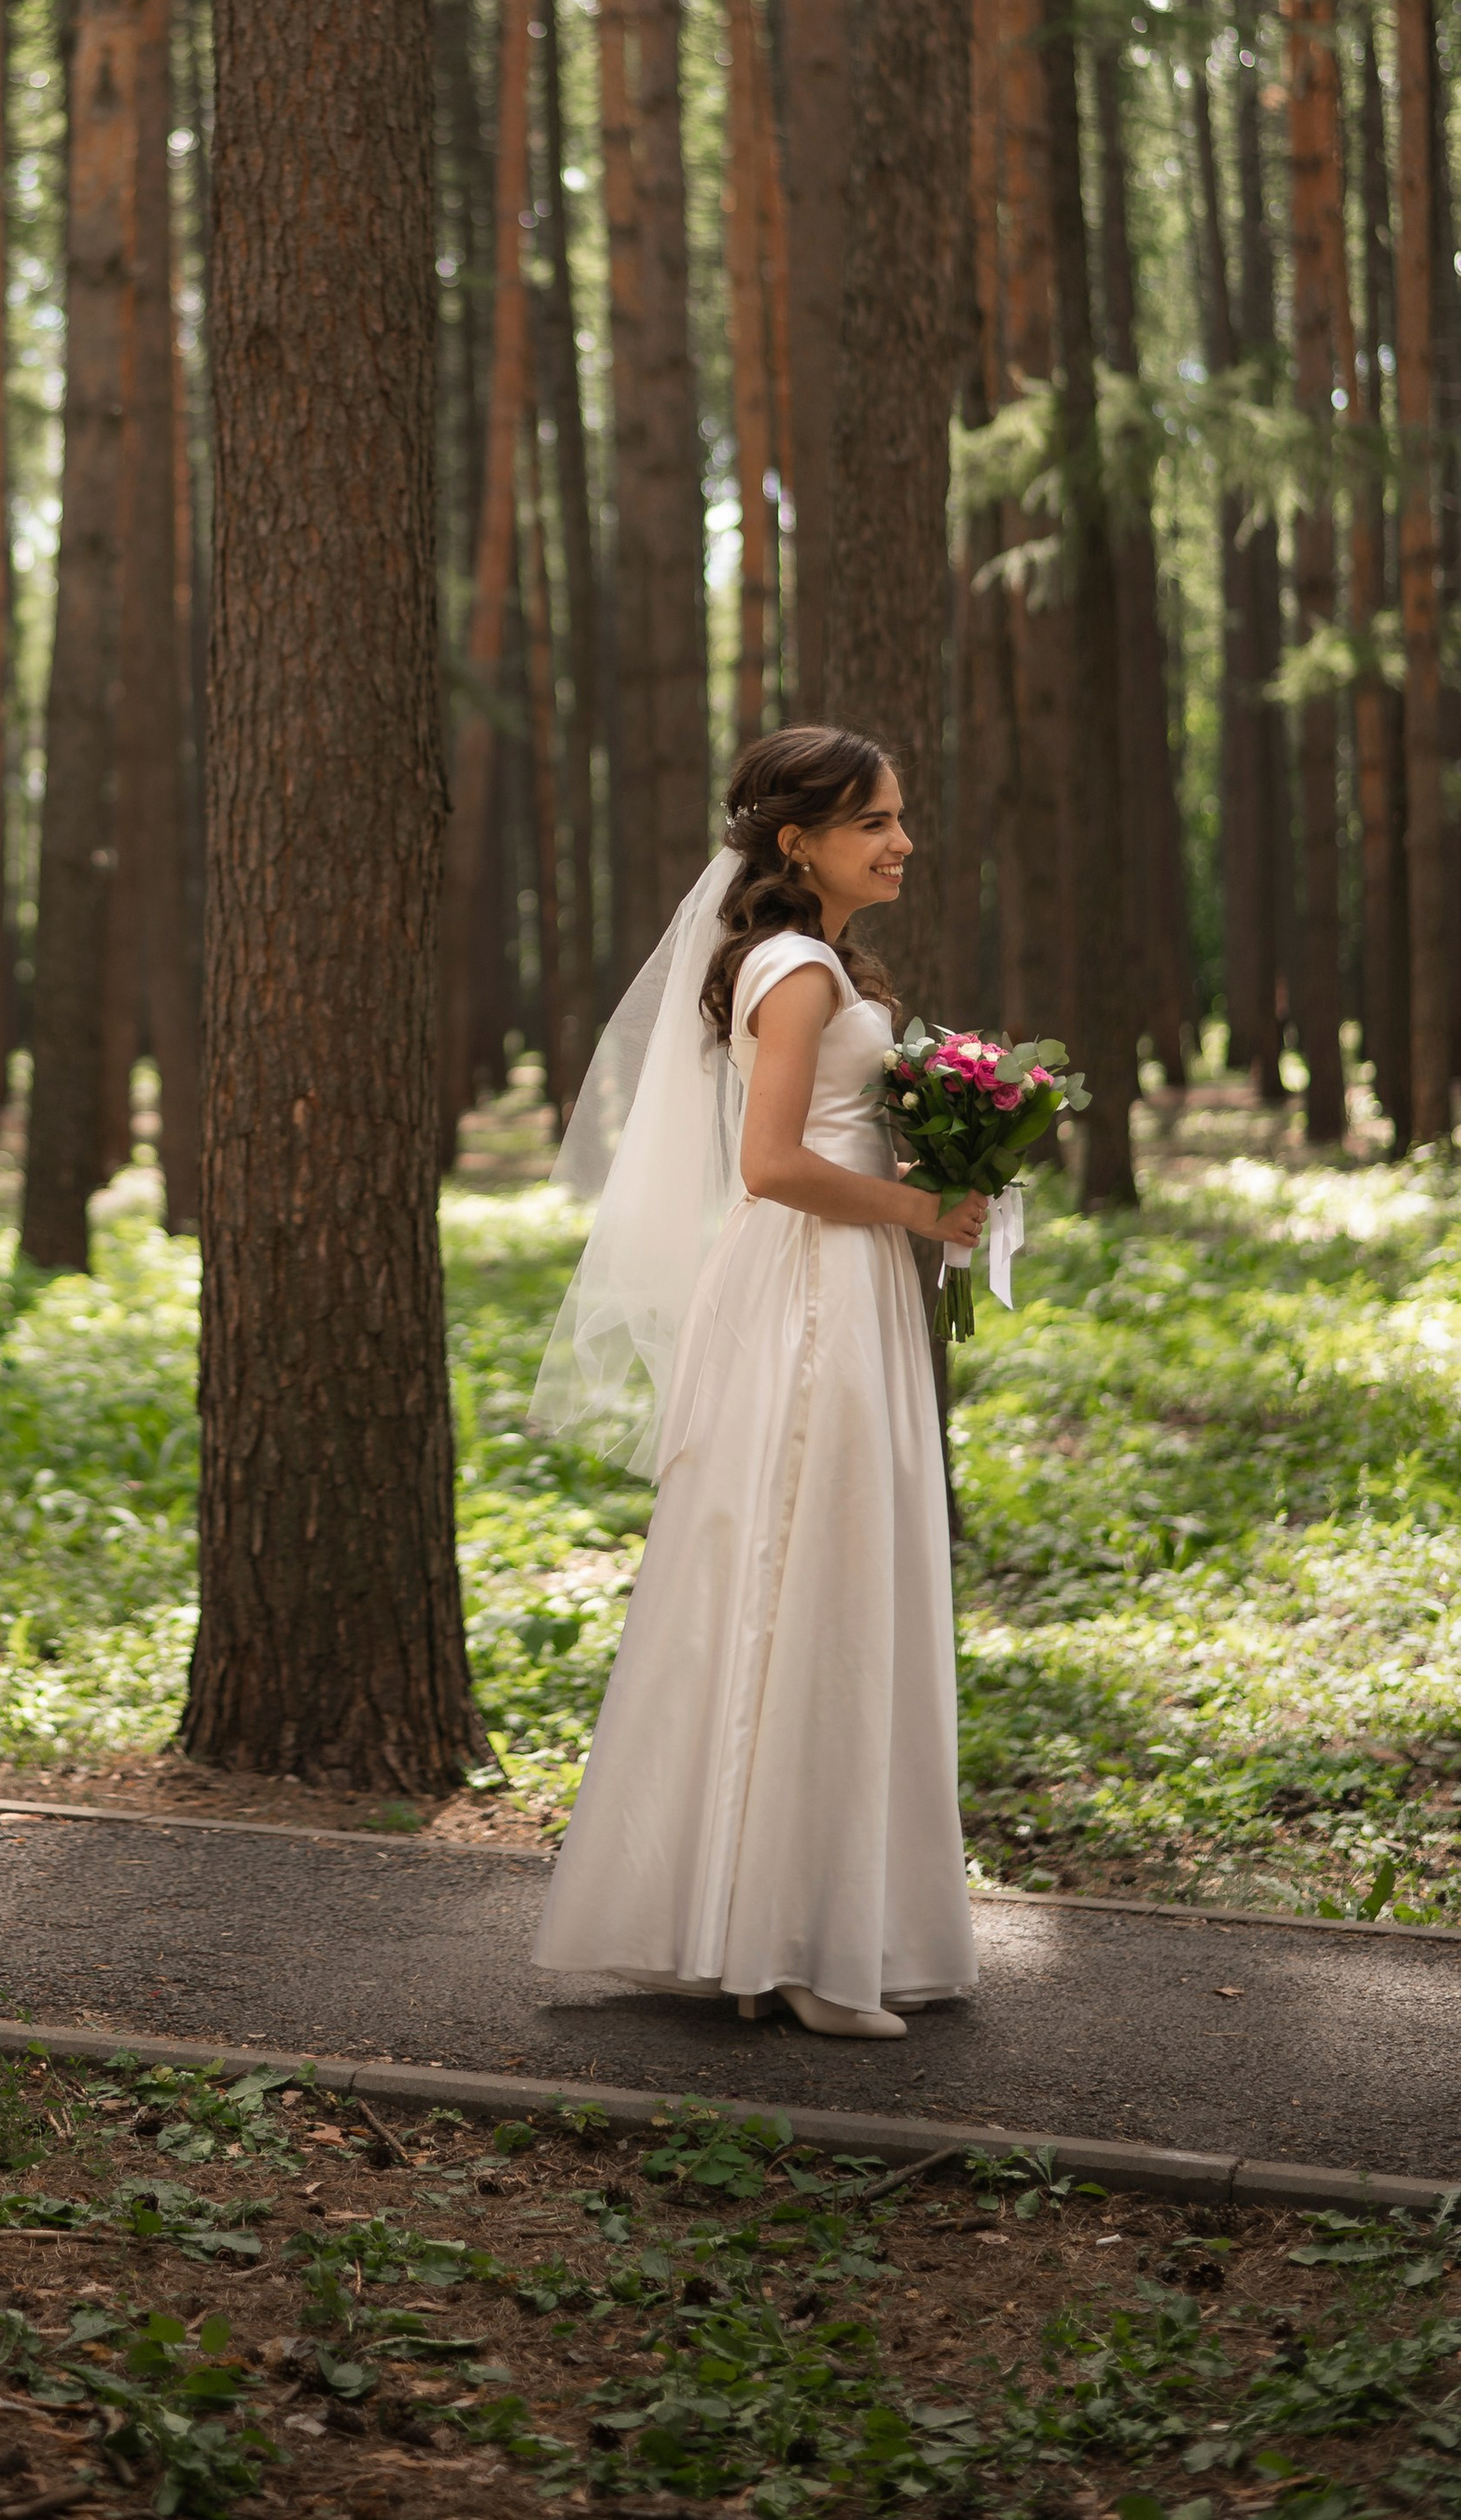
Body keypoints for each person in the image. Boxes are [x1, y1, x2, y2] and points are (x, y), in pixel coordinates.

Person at [527, 725, 983, 2040]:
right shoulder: (793, 971)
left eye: (900, 817)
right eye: (875, 822)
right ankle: (788, 1940)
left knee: (834, 1584)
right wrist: (917, 1201)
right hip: (808, 1295)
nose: (902, 841)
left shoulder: (828, 965)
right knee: (802, 1579)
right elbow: (770, 1163)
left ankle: (812, 1914)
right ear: (800, 841)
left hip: (848, 1289)